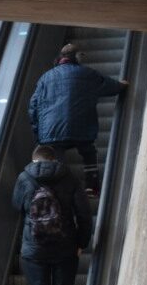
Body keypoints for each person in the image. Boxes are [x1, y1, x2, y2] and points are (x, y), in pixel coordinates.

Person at [12, 145, 93, 285]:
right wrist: (81, 243)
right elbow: (84, 214)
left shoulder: (24, 178)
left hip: (33, 250)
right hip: (65, 248)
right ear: (53, 159)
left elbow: (17, 206)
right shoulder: (69, 177)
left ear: (34, 159)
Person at [28, 43, 128, 196]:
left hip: (51, 131)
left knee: (57, 161)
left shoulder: (45, 78)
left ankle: (60, 192)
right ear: (76, 57)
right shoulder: (87, 74)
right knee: (88, 152)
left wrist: (38, 135)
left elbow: (33, 107)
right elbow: (109, 86)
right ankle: (91, 187)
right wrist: (122, 86)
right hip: (81, 128)